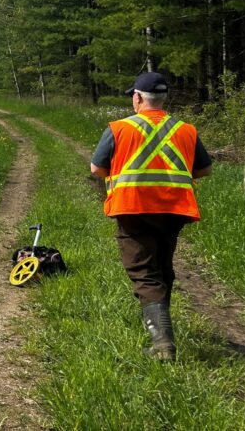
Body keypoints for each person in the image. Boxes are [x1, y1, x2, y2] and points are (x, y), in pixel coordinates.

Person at [89, 72, 213, 362]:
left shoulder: (119, 128)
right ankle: (161, 329)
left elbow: (97, 169)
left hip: (133, 207)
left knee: (144, 271)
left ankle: (162, 342)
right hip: (174, 209)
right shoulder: (185, 130)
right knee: (162, 266)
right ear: (163, 98)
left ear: (137, 98)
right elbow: (205, 170)